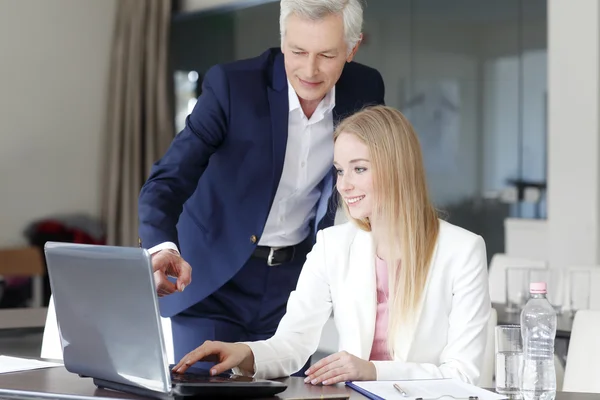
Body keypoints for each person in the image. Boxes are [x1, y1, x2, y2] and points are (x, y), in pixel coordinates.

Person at [137, 0, 385, 369]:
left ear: (352, 48)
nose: (310, 70)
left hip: (293, 283)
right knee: (206, 390)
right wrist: (161, 247)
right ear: (283, 40)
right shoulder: (233, 87)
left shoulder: (364, 89)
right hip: (213, 280)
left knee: (290, 391)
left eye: (326, 55)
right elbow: (168, 180)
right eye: (298, 51)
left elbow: (370, 180)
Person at [171, 105, 492, 386]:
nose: (343, 184)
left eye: (359, 168)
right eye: (339, 170)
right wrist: (245, 353)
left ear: (398, 168)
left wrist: (372, 371)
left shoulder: (462, 250)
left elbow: (462, 374)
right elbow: (295, 342)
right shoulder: (332, 245)